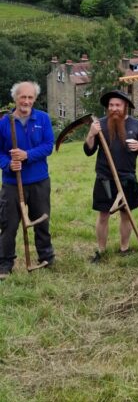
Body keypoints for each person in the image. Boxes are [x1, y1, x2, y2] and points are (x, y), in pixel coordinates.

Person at [84, 89, 138, 261]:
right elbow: (88, 150)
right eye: (111, 105)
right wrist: (91, 134)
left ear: (125, 106)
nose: (114, 108)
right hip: (104, 178)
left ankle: (124, 248)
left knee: (126, 214)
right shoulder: (99, 125)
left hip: (128, 178)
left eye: (118, 105)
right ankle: (101, 250)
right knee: (103, 215)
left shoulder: (136, 125)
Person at [0, 81, 55, 279]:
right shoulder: (4, 122)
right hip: (12, 183)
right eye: (23, 97)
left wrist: (27, 155)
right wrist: (7, 164)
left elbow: (49, 145)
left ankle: (46, 257)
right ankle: (5, 264)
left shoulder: (43, 118)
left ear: (35, 99)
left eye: (30, 97)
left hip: (39, 180)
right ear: (15, 98)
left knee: (42, 221)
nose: (26, 101)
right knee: (8, 224)